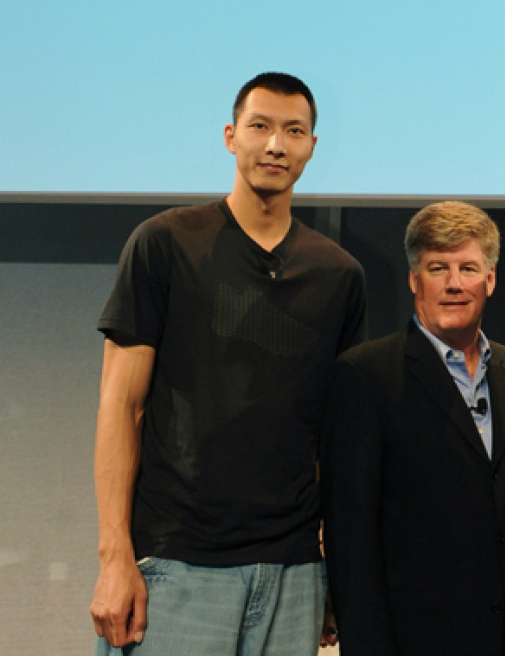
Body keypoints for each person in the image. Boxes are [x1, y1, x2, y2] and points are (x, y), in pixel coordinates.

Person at [89, 72, 367, 655]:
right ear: (230, 136)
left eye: (294, 131)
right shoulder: (164, 244)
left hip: (293, 572)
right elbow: (122, 405)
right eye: (260, 127)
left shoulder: (339, 276)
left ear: (313, 147)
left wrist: (332, 572)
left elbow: (334, 438)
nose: (275, 145)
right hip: (176, 564)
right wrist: (116, 557)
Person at [321, 201, 505, 655]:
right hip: (414, 640)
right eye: (438, 268)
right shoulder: (366, 376)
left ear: (491, 280)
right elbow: (352, 536)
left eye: (468, 268)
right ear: (414, 279)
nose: (455, 283)